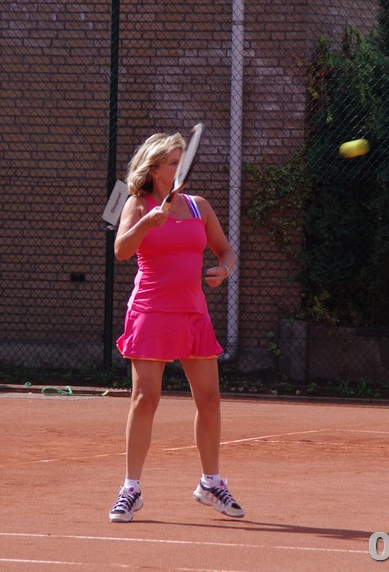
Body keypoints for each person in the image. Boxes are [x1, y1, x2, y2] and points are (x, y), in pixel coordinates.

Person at [109, 131, 244, 524]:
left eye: (183, 160)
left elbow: (225, 250)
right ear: (155, 169)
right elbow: (121, 251)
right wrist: (148, 222)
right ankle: (131, 489)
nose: (181, 167)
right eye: (173, 162)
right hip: (151, 311)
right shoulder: (137, 204)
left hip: (193, 313)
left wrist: (224, 269)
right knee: (144, 399)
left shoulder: (199, 206)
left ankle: (210, 483)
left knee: (210, 400)